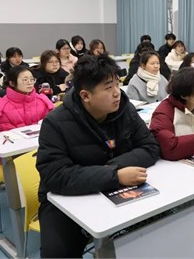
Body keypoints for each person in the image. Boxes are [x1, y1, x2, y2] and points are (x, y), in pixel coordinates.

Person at [36, 54, 159, 257]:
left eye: (117, 85)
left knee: (157, 227)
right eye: (108, 88)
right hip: (66, 200)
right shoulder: (55, 123)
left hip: (116, 188)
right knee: (57, 252)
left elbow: (150, 146)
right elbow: (55, 175)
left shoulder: (124, 109)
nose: (116, 93)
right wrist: (114, 175)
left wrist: (114, 167)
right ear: (85, 95)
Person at [0, 66, 54, 134]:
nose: (30, 83)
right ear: (12, 83)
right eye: (25, 80)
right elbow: (4, 133)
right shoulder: (2, 106)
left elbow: (51, 124)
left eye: (32, 79)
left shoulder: (43, 100)